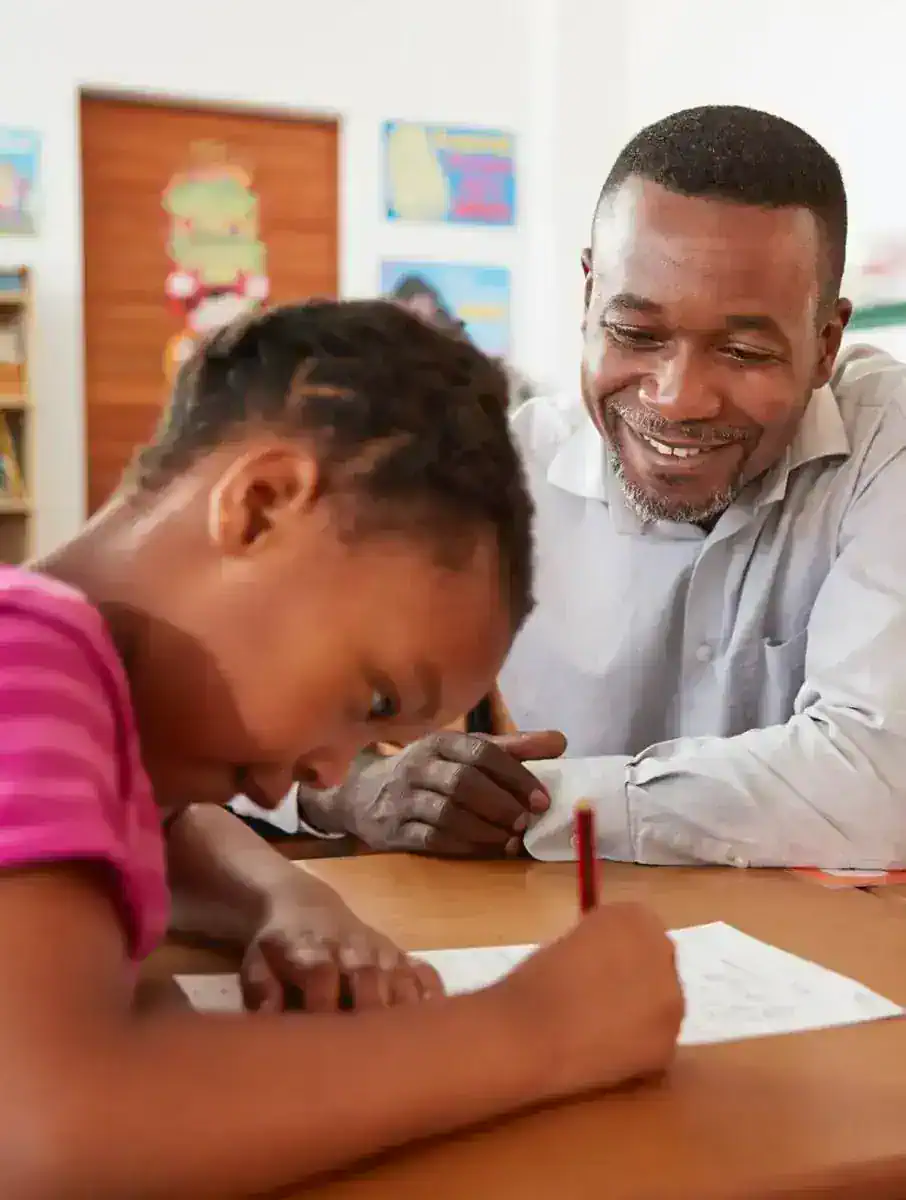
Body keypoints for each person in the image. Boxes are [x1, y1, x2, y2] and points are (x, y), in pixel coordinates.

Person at [0, 299, 682, 1197]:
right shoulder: (28, 658)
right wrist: (539, 1029)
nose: (332, 771)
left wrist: (289, 901)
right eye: (374, 698)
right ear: (262, 505)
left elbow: (155, 830)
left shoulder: (83, 710)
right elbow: (47, 1125)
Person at [294, 105, 906, 870]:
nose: (678, 398)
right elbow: (268, 712)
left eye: (744, 350)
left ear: (825, 345)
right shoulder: (497, 472)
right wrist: (362, 788)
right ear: (589, 297)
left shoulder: (889, 443)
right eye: (637, 335)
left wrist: (543, 805)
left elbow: (878, 785)